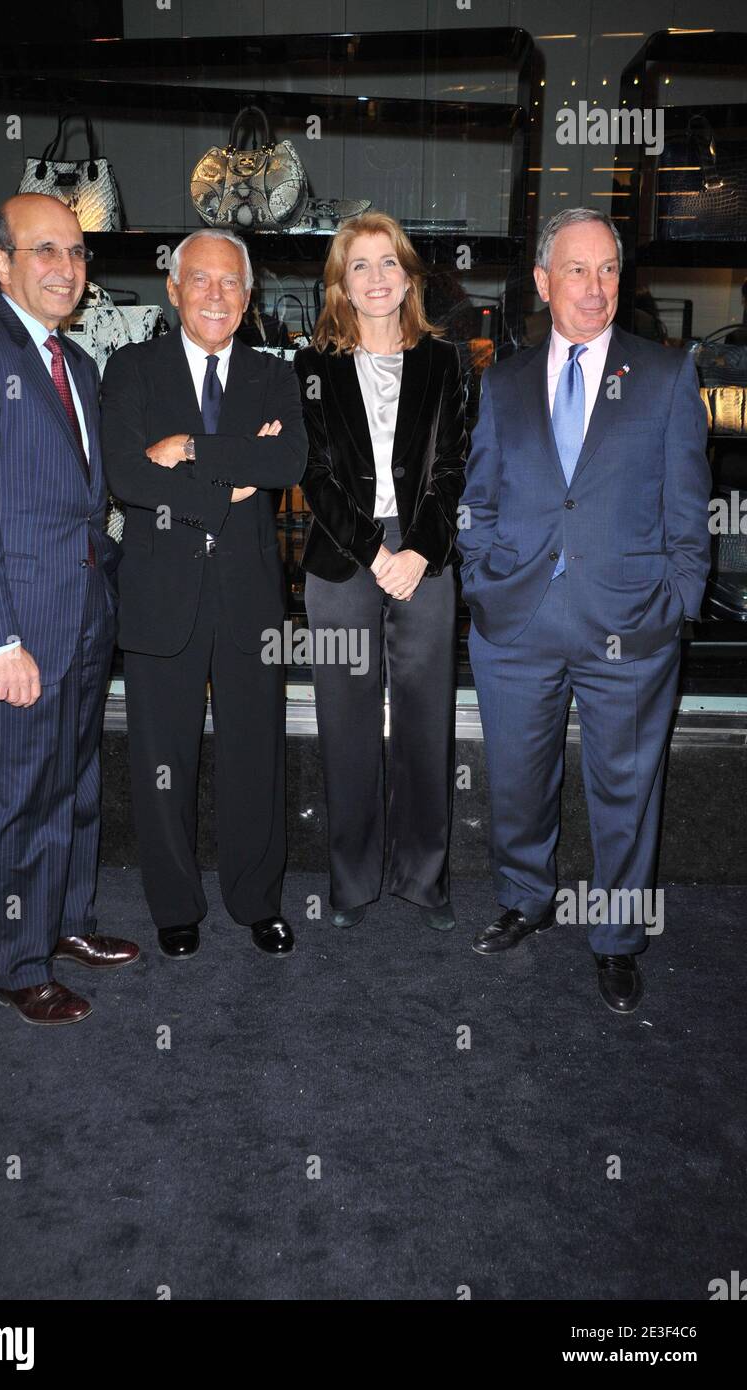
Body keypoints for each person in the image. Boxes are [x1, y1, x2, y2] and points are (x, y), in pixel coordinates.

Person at [458, 207, 710, 1013]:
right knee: (518, 783)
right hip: (517, 625)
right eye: (577, 269)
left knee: (628, 793)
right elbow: (479, 498)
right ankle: (526, 900)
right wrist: (483, 580)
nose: (595, 287)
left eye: (608, 269)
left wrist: (675, 603)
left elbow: (688, 511)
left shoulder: (666, 376)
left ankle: (618, 938)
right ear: (542, 281)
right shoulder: (501, 380)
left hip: (629, 629)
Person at [0, 192, 138, 1027]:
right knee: (18, 797)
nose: (68, 267)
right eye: (46, 249)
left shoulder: (75, 364)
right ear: (0, 264)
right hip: (14, 632)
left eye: (78, 252)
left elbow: (82, 500)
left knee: (76, 784)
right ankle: (16, 961)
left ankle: (68, 923)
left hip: (81, 618)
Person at [101, 229, 307, 959]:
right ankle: (174, 906)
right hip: (161, 595)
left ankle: (258, 901)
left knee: (257, 753)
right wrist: (228, 487)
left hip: (249, 596)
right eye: (202, 280)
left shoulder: (273, 375)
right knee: (165, 757)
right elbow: (126, 475)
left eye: (231, 283)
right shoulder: (131, 369)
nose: (216, 294)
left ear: (248, 298)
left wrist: (188, 448)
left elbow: (287, 457)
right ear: (174, 287)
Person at [294, 211, 466, 931]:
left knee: (428, 720)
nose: (374, 279)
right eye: (357, 265)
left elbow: (453, 467)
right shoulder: (310, 367)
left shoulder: (445, 361)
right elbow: (314, 472)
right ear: (339, 281)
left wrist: (420, 551)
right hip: (343, 557)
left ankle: (423, 878)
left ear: (409, 276)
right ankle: (353, 883)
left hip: (424, 555)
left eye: (387, 263)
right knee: (346, 721)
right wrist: (375, 553)